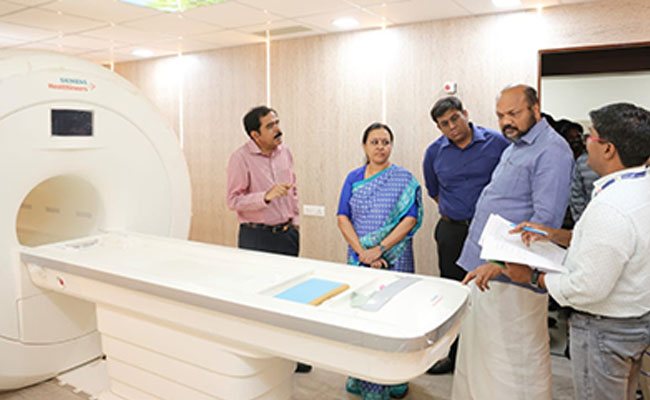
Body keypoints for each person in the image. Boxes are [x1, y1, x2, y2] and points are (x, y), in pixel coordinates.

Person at [504, 102, 650, 400]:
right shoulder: (639, 190)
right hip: (636, 321)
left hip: (603, 330)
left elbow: (586, 287)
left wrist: (532, 277)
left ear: (608, 149)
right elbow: (616, 245)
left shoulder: (610, 207)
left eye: (589, 136)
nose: (584, 144)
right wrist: (553, 234)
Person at [452, 84, 574, 400]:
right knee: (481, 355)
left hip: (510, 274)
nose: (506, 121)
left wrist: (498, 263)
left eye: (513, 113)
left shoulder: (553, 150)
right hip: (484, 268)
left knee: (512, 362)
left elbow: (543, 225)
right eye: (500, 115)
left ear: (535, 109)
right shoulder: (515, 146)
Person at [422, 96, 509, 374]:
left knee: (491, 293)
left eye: (454, 119)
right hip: (452, 230)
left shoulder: (497, 143)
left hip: (490, 232)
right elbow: (434, 191)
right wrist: (459, 213)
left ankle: (491, 358)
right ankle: (455, 355)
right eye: (444, 124)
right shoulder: (434, 152)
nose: (452, 127)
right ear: (439, 127)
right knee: (454, 292)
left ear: (465, 114)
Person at [337, 122, 423, 400]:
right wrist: (363, 252)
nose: (380, 147)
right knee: (362, 319)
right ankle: (362, 377)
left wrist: (380, 249)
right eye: (374, 142)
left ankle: (394, 378)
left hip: (396, 257)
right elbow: (342, 217)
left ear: (391, 146)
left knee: (394, 319)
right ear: (364, 146)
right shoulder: (353, 178)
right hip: (359, 257)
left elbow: (409, 219)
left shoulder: (403, 179)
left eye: (385, 142)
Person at [226, 106, 310, 373]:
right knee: (259, 300)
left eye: (277, 123)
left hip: (286, 235)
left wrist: (295, 223)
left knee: (289, 298)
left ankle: (291, 355)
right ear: (255, 134)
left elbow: (293, 189)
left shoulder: (285, 152)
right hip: (256, 237)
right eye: (270, 126)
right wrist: (265, 196)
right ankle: (264, 355)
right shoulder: (240, 158)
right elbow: (233, 200)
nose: (278, 129)